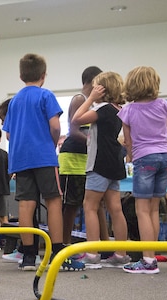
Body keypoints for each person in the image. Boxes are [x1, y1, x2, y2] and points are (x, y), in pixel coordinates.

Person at [3, 53, 84, 271]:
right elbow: (56, 126)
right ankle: (58, 254)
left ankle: (29, 257)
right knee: (54, 201)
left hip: (21, 159)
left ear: (21, 76)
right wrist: (51, 142)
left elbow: (9, 135)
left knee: (25, 205)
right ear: (43, 75)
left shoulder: (15, 101)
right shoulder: (46, 95)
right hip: (44, 157)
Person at [118, 66, 167, 274]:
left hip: (145, 158)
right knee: (153, 209)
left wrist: (131, 155)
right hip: (165, 157)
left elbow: (129, 141)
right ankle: (152, 256)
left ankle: (148, 260)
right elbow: (166, 129)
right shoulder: (164, 105)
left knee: (141, 209)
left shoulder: (128, 110)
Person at [71, 71, 131, 269]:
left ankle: (92, 253)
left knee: (90, 206)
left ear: (101, 89)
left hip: (98, 163)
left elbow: (76, 120)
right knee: (115, 208)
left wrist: (90, 99)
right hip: (114, 162)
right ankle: (121, 254)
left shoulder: (103, 108)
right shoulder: (118, 109)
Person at [58, 66, 109, 255]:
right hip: (73, 158)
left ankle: (105, 245)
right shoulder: (80, 99)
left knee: (97, 203)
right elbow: (74, 129)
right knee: (71, 204)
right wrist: (92, 141)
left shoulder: (97, 104)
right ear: (93, 81)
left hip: (90, 159)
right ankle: (64, 244)